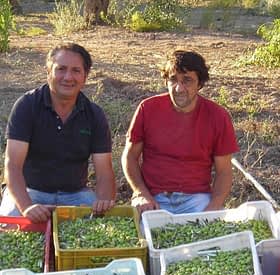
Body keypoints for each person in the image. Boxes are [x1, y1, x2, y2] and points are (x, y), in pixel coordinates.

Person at [0, 42, 116, 223]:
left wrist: (103, 204)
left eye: (76, 71)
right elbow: (12, 165)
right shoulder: (27, 106)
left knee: (106, 232)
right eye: (61, 69)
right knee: (8, 230)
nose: (68, 77)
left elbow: (104, 172)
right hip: (30, 191)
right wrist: (26, 206)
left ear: (85, 77)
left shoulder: (94, 114)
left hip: (76, 195)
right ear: (48, 72)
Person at [121, 50, 239, 215]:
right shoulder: (147, 108)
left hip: (197, 198)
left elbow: (224, 171)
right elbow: (130, 156)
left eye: (187, 80)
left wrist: (214, 206)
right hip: (154, 196)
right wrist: (140, 193)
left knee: (210, 237)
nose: (179, 88)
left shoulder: (217, 116)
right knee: (142, 237)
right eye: (173, 79)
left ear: (200, 84)